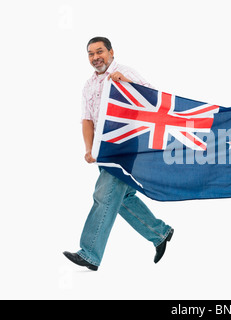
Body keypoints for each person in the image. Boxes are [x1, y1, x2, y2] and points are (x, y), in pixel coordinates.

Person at [63, 37, 174, 271]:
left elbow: (154, 100)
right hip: (104, 149)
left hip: (126, 146)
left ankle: (90, 253)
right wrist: (89, 149)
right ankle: (159, 232)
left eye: (100, 51)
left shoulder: (124, 72)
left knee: (104, 195)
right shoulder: (88, 85)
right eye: (91, 54)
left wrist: (128, 83)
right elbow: (87, 120)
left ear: (111, 51)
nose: (96, 57)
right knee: (121, 199)